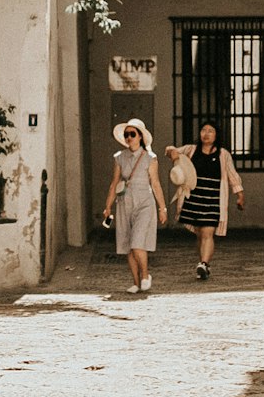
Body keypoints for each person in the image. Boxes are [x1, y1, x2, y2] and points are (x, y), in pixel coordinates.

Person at [167, 120, 243, 279]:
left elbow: (232, 175)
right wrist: (173, 155)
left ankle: (204, 263)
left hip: (213, 199)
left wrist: (239, 195)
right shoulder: (191, 149)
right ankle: (202, 265)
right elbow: (170, 149)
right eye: (203, 130)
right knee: (200, 234)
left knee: (208, 232)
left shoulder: (223, 154)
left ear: (216, 135)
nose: (206, 134)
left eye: (210, 131)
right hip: (194, 198)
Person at [103, 118, 166, 295]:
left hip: (145, 202)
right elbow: (114, 182)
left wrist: (163, 208)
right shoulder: (119, 157)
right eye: (126, 134)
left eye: (132, 134)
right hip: (124, 203)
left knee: (138, 242)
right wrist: (108, 206)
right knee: (127, 244)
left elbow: (156, 184)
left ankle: (145, 275)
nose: (129, 137)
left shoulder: (150, 158)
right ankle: (136, 283)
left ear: (140, 137)